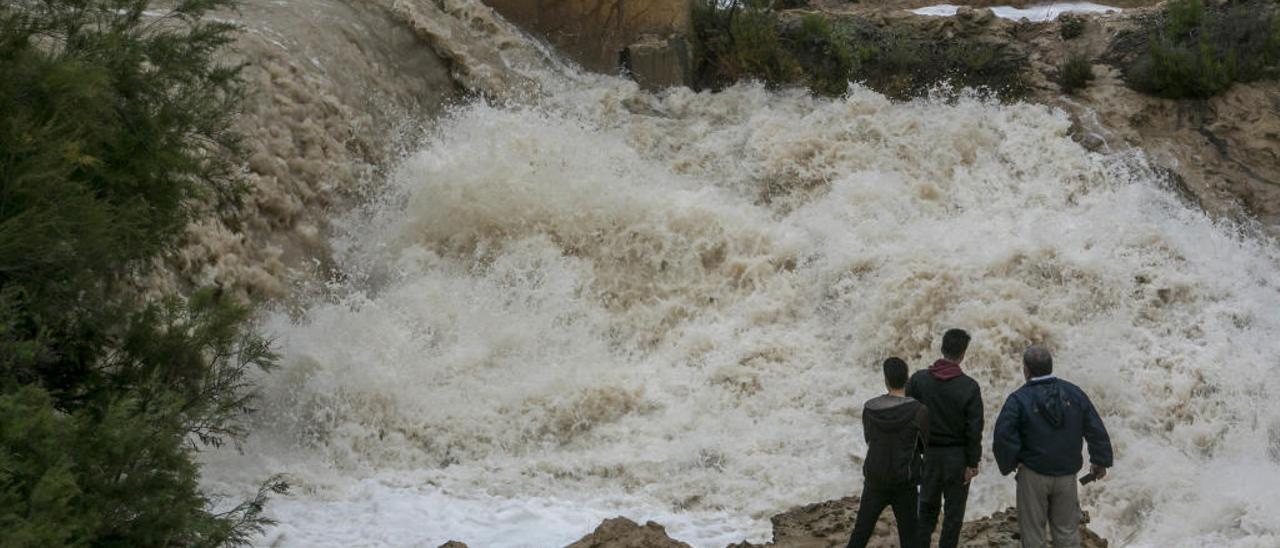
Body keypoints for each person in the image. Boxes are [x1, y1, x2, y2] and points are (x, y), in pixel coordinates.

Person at [993, 346, 1113, 548]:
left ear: (1026, 370)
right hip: (1067, 475)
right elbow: (1095, 428)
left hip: (1032, 473)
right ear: (1050, 367)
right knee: (1067, 533)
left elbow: (1003, 436)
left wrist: (1012, 463)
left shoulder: (1018, 399)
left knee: (1033, 535)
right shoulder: (1074, 393)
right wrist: (1100, 461)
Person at [906, 328, 982, 548]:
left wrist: (912, 453)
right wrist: (972, 463)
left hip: (928, 455)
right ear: (963, 354)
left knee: (926, 511)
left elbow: (907, 416)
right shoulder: (969, 387)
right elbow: (974, 429)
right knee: (953, 516)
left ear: (942, 348)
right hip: (957, 458)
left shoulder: (918, 381)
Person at [847, 357, 929, 548]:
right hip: (904, 482)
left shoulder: (869, 408)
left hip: (875, 480)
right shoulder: (919, 410)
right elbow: (925, 447)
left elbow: (869, 439)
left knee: (860, 533)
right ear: (907, 379)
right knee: (910, 538)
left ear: (885, 380)